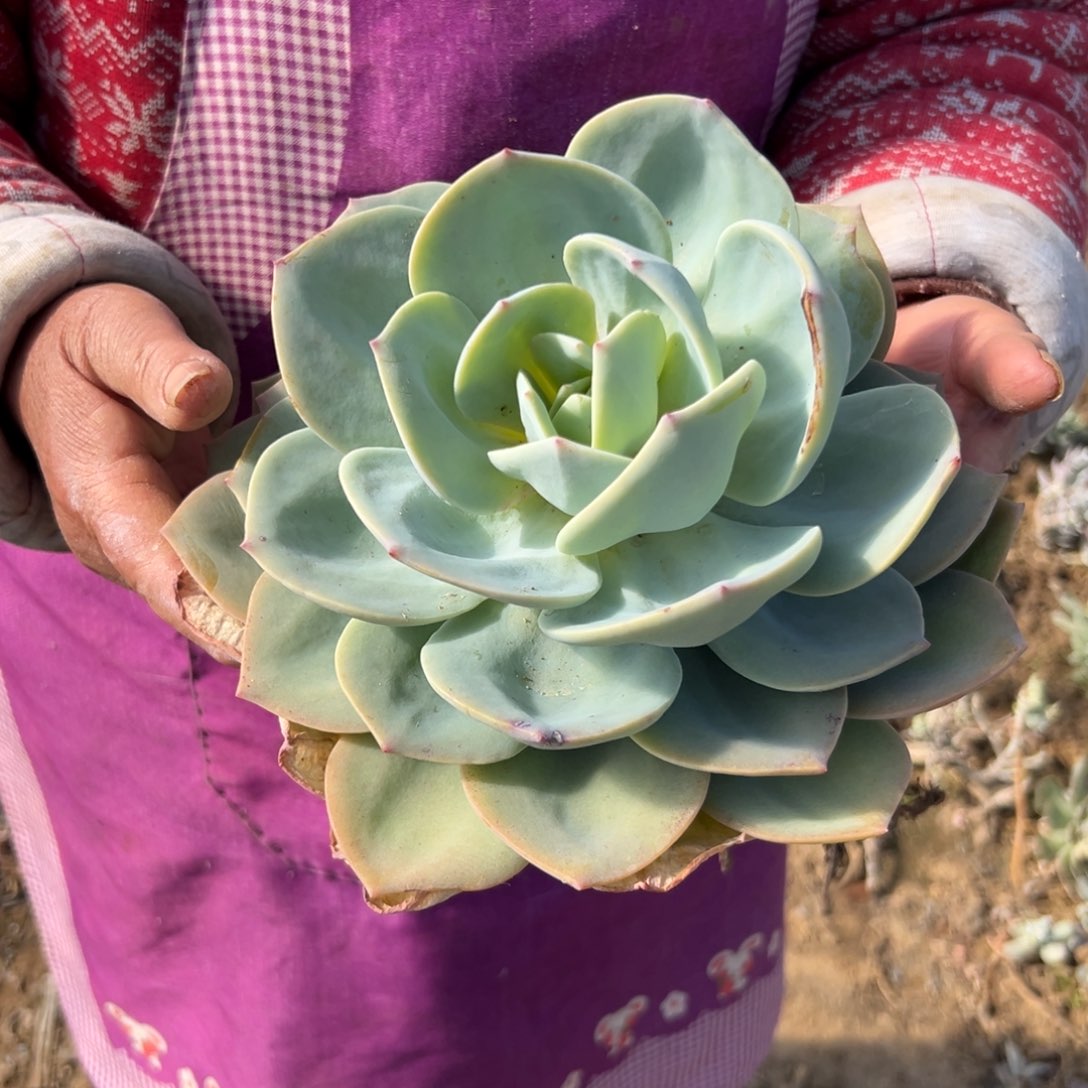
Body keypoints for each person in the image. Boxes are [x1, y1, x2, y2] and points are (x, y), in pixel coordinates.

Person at [1, 2, 1086, 1086]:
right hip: (157, 561)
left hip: (705, 674)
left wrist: (919, 254)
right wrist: (30, 291)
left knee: (632, 1004)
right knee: (252, 1007)